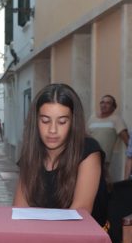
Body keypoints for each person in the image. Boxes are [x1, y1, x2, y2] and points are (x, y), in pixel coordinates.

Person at [13, 83, 108, 227]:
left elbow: (80, 214)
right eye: (45, 121)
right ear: (36, 121)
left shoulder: (89, 151)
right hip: (42, 237)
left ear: (73, 122)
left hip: (84, 240)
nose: (52, 130)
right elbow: (20, 210)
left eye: (62, 122)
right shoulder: (31, 154)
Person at [87, 94, 129, 174]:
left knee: (104, 180)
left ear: (113, 107)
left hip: (105, 159)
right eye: (102, 102)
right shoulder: (92, 117)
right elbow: (85, 136)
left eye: (108, 103)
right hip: (89, 156)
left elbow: (127, 140)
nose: (104, 105)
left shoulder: (116, 119)